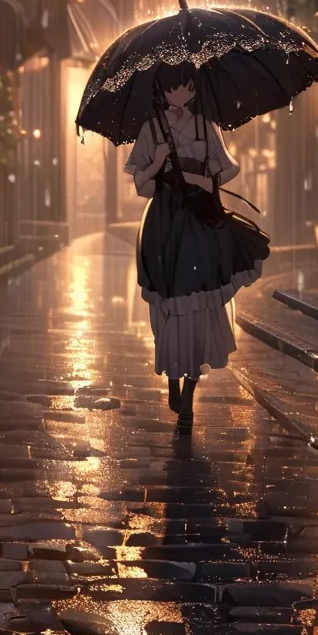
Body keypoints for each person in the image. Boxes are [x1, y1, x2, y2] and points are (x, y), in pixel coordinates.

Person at [124, 61, 269, 432]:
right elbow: (141, 186)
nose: (181, 95)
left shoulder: (206, 125)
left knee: (200, 306)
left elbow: (228, 169)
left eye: (187, 87)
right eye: (174, 88)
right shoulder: (150, 129)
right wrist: (156, 162)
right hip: (163, 225)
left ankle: (188, 395)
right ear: (162, 89)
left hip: (200, 224)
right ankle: (172, 377)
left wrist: (202, 179)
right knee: (168, 307)